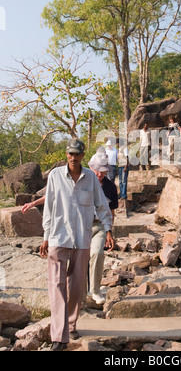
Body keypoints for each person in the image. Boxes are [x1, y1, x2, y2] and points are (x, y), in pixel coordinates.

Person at [40, 139, 113, 351]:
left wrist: (108, 229)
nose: (73, 157)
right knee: (56, 285)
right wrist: (45, 236)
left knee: (77, 286)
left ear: (82, 156)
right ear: (66, 154)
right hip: (57, 237)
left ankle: (71, 323)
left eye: (77, 154)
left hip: (82, 239)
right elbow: (49, 207)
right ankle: (59, 337)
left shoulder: (90, 178)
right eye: (70, 154)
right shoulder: (55, 176)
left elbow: (101, 206)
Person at [88, 154, 118, 305]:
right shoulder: (82, 181)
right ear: (91, 168)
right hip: (82, 225)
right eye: (97, 171)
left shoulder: (110, 187)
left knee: (97, 253)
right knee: (79, 258)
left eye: (103, 171)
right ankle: (79, 291)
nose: (100, 174)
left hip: (100, 225)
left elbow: (111, 213)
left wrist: (109, 232)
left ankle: (95, 291)